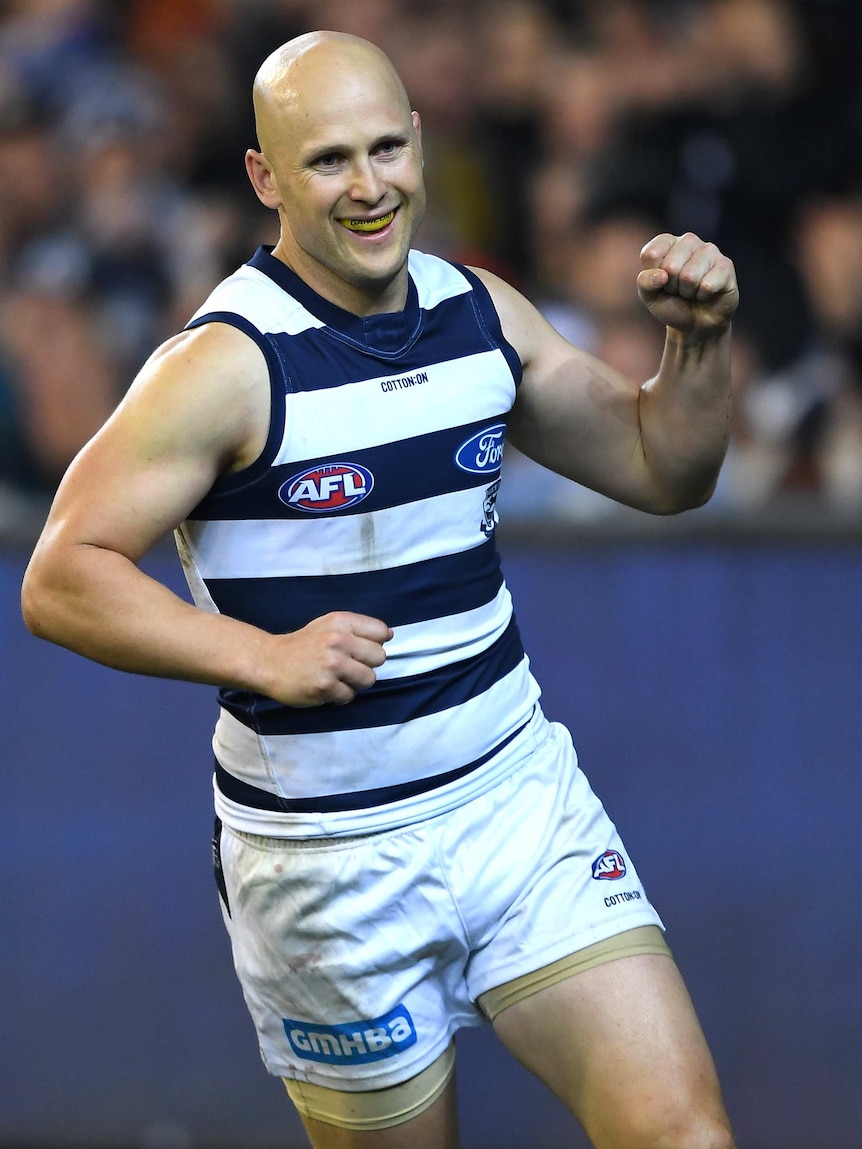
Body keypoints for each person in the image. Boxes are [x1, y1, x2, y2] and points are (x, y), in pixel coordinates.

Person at [21, 30, 739, 1149]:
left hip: (516, 804)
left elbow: (663, 470)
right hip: (327, 865)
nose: (368, 188)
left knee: (684, 1135)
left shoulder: (479, 312)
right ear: (266, 179)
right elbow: (61, 574)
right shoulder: (221, 366)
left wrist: (696, 350)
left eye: (384, 150)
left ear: (418, 143)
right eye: (326, 162)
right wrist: (258, 655)